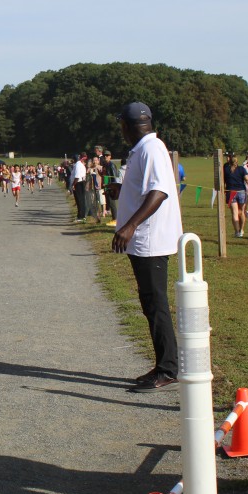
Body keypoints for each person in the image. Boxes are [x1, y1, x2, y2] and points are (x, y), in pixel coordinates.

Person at [105, 102, 183, 393]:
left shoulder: (151, 149)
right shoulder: (143, 149)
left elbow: (159, 191)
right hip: (145, 240)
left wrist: (130, 226)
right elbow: (147, 187)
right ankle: (164, 364)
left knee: (155, 304)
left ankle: (168, 369)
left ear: (125, 126)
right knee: (151, 303)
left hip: (150, 240)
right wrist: (122, 190)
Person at [223, 151, 248, 238]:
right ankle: (241, 230)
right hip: (241, 192)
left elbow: (223, 180)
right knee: (242, 212)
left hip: (230, 192)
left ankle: (237, 232)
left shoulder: (226, 169)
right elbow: (247, 179)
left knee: (234, 213)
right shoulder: (241, 169)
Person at [102, 150, 120, 225]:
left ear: (110, 156)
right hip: (107, 185)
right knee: (109, 202)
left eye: (107, 155)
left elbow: (114, 177)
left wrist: (113, 187)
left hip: (111, 186)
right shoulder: (106, 165)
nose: (105, 157)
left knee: (112, 203)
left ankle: (115, 219)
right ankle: (113, 218)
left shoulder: (111, 165)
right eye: (104, 155)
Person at [71, 154, 87, 222]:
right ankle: (81, 215)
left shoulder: (77, 165)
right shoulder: (80, 164)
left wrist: (73, 184)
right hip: (81, 182)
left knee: (79, 200)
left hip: (78, 183)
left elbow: (77, 176)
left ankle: (80, 216)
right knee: (81, 200)